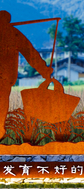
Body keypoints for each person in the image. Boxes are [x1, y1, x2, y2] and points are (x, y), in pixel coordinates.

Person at [0, 11, 53, 139]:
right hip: (5, 78)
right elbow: (31, 55)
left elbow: (31, 54)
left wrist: (44, 71)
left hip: (5, 78)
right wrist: (44, 71)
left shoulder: (14, 34)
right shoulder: (14, 33)